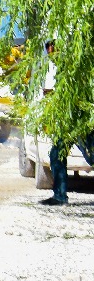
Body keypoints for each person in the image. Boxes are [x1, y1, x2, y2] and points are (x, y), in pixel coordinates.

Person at [41, 40, 94, 206]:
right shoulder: (62, 69)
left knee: (91, 156)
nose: (51, 54)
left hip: (82, 119)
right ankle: (59, 196)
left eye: (52, 50)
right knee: (57, 154)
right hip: (68, 121)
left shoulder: (76, 66)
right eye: (49, 51)